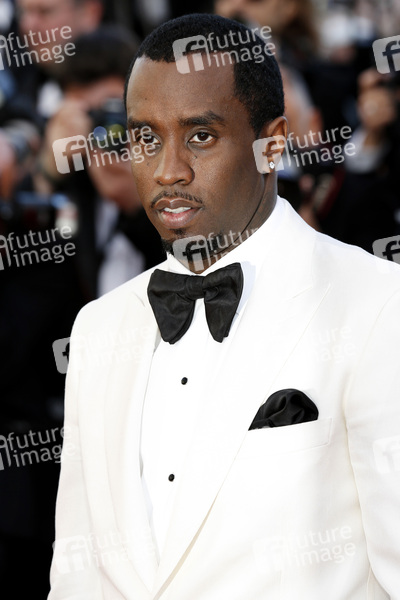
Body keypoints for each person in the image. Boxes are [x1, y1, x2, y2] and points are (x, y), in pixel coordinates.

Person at [48, 14, 400, 600]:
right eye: (145, 137)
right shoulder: (99, 327)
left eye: (201, 136)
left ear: (272, 143)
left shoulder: (377, 304)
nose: (168, 170)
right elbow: (78, 575)